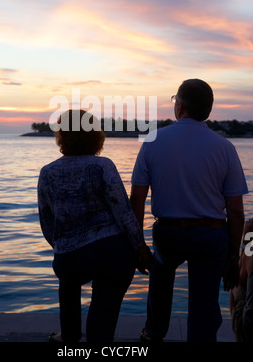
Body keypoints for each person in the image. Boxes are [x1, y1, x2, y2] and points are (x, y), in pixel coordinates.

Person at [130, 79, 248, 342]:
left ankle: (152, 335)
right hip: (211, 235)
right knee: (204, 307)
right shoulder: (224, 148)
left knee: (159, 293)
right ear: (208, 109)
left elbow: (137, 199)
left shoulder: (152, 141)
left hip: (168, 233)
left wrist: (138, 246)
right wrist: (233, 257)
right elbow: (236, 212)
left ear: (179, 106)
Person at [37, 109, 150, 343]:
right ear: (95, 135)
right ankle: (98, 339)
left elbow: (47, 225)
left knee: (68, 281)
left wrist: (64, 247)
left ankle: (69, 335)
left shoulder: (47, 172)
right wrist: (140, 248)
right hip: (110, 253)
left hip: (70, 257)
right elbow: (124, 214)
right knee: (106, 300)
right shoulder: (103, 166)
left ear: (62, 136)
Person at [230, 218, 253, 342]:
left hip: (249, 328)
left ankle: (241, 337)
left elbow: (239, 277)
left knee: (235, 283)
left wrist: (245, 242)